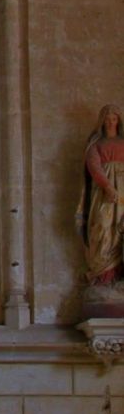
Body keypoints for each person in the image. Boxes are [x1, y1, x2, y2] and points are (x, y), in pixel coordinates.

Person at [77, 104, 124, 288]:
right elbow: (94, 167)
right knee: (102, 226)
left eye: (114, 119)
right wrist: (108, 187)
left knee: (120, 229)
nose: (111, 122)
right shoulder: (95, 144)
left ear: (118, 121)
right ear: (102, 121)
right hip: (102, 193)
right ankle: (102, 274)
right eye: (107, 119)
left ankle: (118, 276)